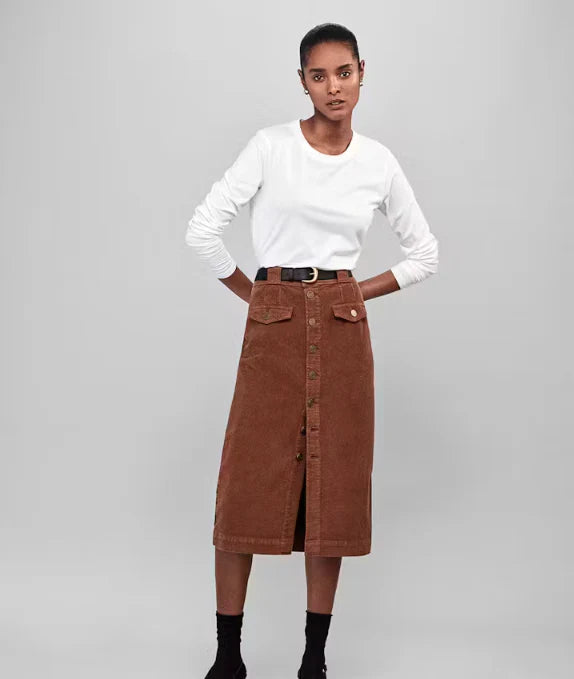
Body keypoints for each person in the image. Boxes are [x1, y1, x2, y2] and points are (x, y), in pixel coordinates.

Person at [185, 23, 439, 679]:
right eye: (319, 75)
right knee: (245, 484)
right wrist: (257, 296)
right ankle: (228, 657)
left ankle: (314, 660)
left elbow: (425, 254)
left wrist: (352, 292)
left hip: (343, 324)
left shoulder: (378, 162)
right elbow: (202, 230)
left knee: (333, 489)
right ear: (302, 81)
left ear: (362, 73)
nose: (334, 87)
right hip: (274, 318)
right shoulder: (270, 147)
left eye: (344, 72)